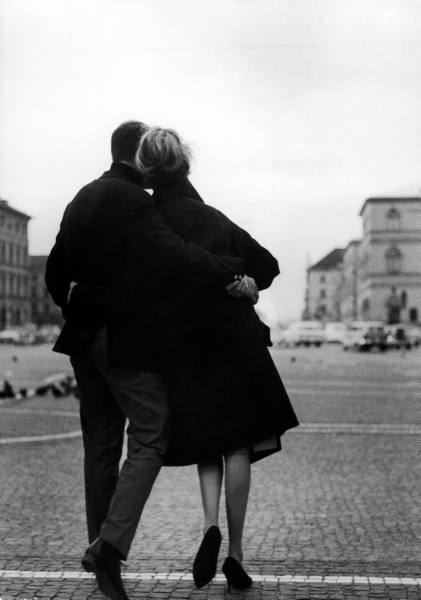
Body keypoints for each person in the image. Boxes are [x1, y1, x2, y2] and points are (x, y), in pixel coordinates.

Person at [45, 121, 247, 600]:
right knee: (152, 434)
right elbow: (175, 254)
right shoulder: (134, 201)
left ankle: (102, 557)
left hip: (81, 338)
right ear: (139, 154)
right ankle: (110, 547)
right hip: (121, 339)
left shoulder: (81, 197)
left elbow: (56, 271)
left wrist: (79, 304)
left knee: (99, 448)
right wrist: (233, 270)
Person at [137, 127, 299, 592]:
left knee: (207, 440)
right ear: (186, 164)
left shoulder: (149, 218)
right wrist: (247, 282)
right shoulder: (211, 215)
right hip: (235, 338)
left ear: (147, 170)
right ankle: (236, 552)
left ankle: (210, 524)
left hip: (186, 344)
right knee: (239, 444)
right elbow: (266, 263)